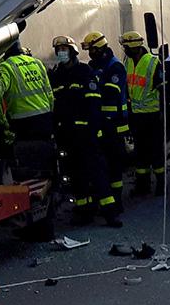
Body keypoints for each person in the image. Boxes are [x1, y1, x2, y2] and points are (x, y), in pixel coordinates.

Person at [50, 35, 122, 227]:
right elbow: (55, 106)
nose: (61, 53)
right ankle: (83, 211)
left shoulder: (84, 71)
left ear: (73, 52)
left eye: (64, 50)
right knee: (75, 175)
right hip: (66, 134)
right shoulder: (56, 76)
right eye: (59, 51)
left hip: (86, 133)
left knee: (97, 172)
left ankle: (110, 213)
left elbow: (94, 102)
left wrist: (94, 129)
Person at [82, 31, 130, 206]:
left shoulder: (115, 66)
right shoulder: (93, 65)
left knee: (114, 163)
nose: (89, 53)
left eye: (92, 49)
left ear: (99, 48)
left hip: (114, 123)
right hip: (99, 122)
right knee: (101, 163)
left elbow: (111, 91)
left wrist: (92, 90)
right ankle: (103, 199)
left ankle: (116, 200)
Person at [120, 31, 164, 196]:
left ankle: (161, 185)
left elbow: (163, 90)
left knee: (156, 152)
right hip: (136, 115)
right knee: (140, 153)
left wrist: (163, 112)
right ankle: (143, 186)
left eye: (126, 47)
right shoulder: (128, 62)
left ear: (135, 47)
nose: (125, 50)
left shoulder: (153, 63)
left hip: (152, 115)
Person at [0, 38, 54, 143]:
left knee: (26, 154)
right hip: (44, 119)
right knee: (44, 154)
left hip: (22, 122)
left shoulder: (7, 66)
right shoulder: (37, 63)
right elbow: (49, 93)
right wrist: (50, 114)